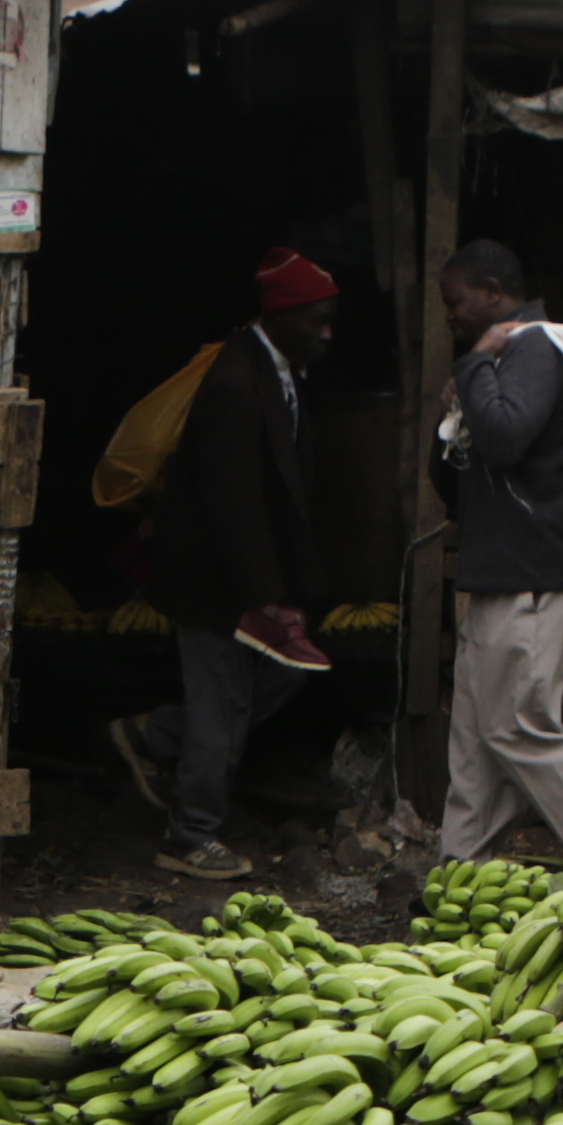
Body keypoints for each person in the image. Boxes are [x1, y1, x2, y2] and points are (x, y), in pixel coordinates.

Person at [111, 248, 341, 883]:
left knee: (278, 681)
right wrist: (266, 596)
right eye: (317, 320)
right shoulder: (238, 385)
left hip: (246, 576)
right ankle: (189, 836)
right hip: (214, 579)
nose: (327, 334)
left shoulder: (281, 372)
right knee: (222, 704)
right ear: (283, 314)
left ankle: (157, 735)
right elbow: (232, 502)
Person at [435, 240, 563, 864]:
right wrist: (463, 402)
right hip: (504, 571)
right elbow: (467, 478)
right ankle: (462, 876)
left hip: (536, 573)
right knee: (476, 736)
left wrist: (474, 368)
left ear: (495, 293)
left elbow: (506, 438)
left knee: (519, 726)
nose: (450, 315)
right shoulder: (506, 360)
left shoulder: (536, 347)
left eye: (456, 301)